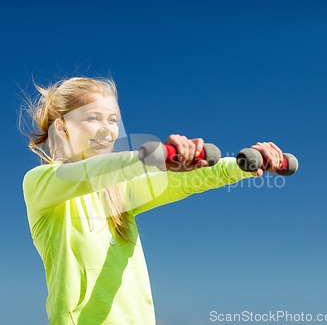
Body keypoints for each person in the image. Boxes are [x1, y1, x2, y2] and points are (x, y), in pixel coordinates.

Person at [22, 76, 285, 325]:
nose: (107, 130)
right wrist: (154, 156)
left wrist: (242, 165)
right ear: (62, 126)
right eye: (93, 117)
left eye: (113, 120)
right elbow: (88, 172)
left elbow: (181, 181)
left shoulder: (119, 192)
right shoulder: (41, 183)